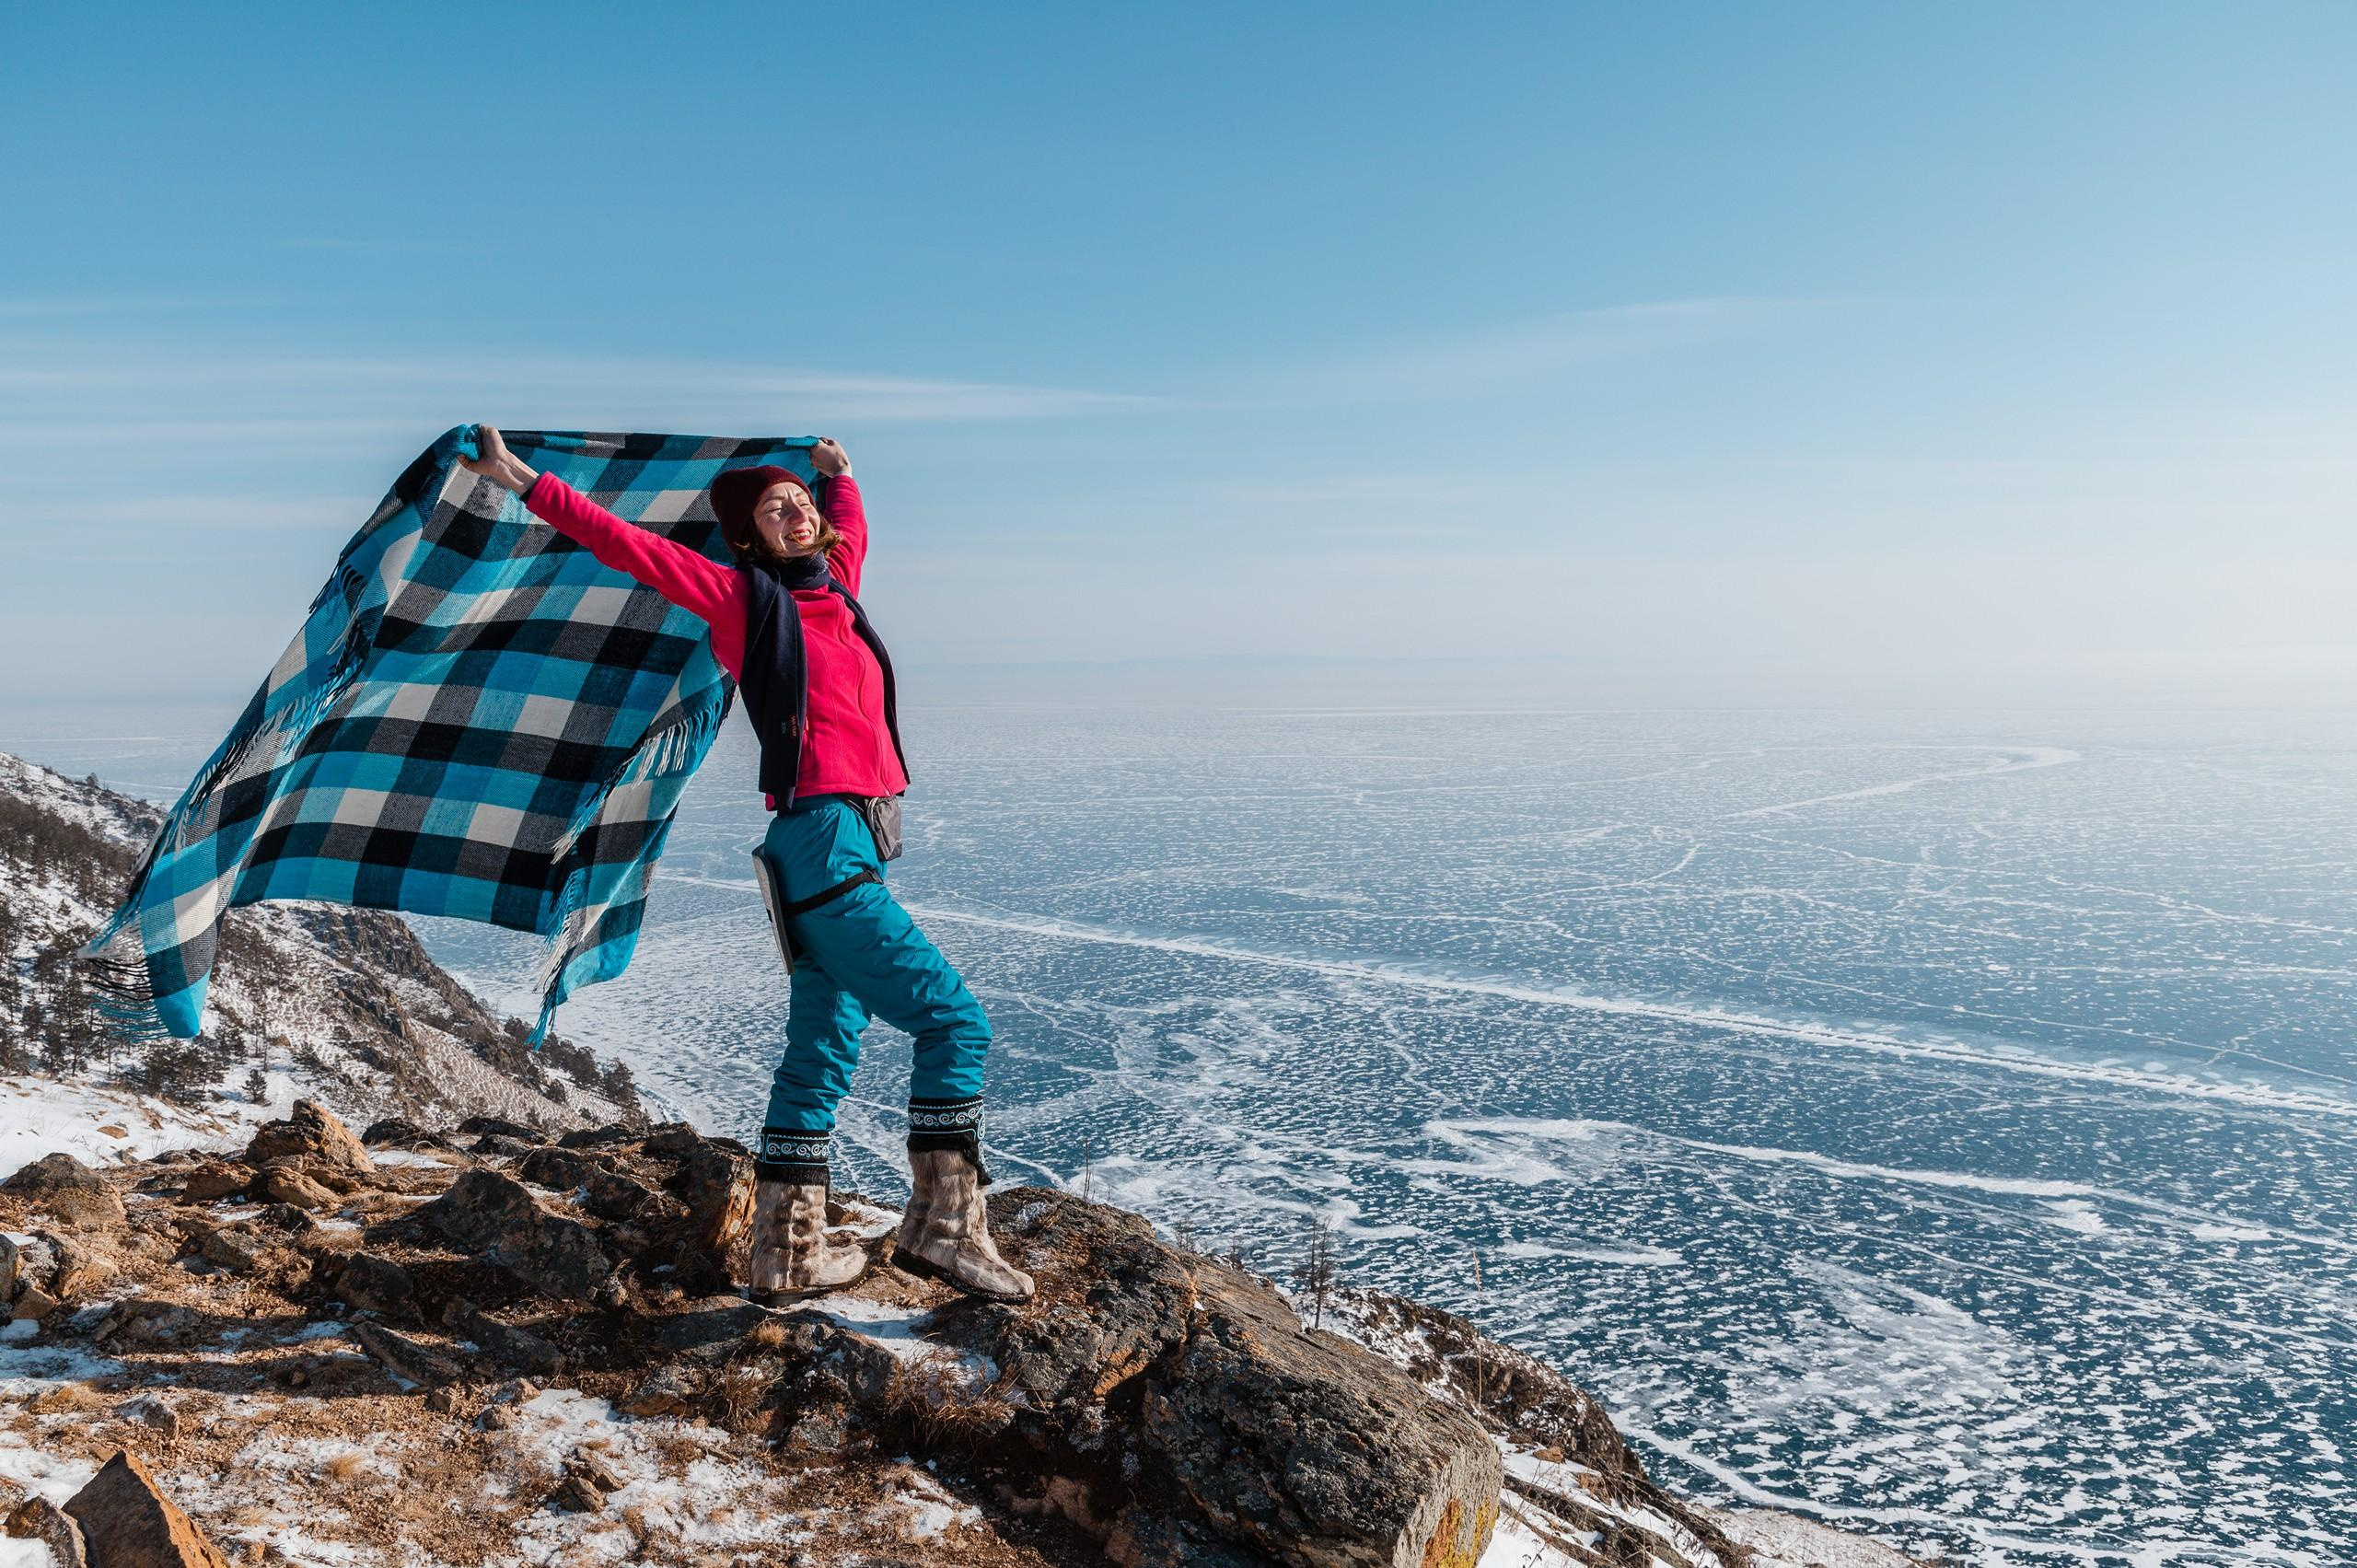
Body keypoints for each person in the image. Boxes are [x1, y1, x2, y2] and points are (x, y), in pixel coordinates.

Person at [460, 426, 1032, 1304]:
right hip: (822, 842)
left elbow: (850, 529)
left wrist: (839, 479)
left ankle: (786, 1253)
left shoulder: (837, 589)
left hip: (842, 846)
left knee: (821, 1049)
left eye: (798, 502)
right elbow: (633, 549)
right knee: (955, 1023)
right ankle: (944, 1230)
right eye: (776, 509)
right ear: (750, 537)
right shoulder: (743, 600)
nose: (795, 513)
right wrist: (523, 481)